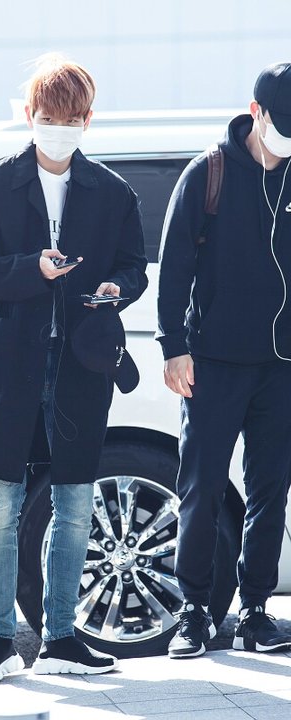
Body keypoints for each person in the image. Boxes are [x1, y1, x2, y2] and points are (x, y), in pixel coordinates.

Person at [0, 53, 148, 683]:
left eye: (69, 119)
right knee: (1, 506)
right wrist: (29, 269)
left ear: (87, 120)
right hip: (7, 362)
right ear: (30, 115)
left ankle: (61, 639)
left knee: (75, 501)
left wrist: (116, 289)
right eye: (47, 117)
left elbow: (134, 267)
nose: (57, 129)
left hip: (80, 362)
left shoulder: (111, 191)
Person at [157, 61, 291, 659]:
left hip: (282, 364)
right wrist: (173, 348)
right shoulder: (207, 172)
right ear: (256, 112)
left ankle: (255, 611)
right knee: (202, 486)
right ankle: (194, 610)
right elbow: (174, 268)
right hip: (212, 362)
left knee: (270, 489)